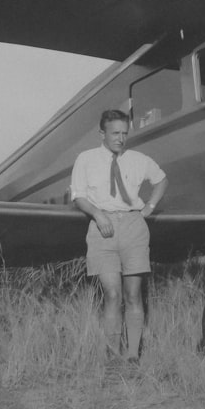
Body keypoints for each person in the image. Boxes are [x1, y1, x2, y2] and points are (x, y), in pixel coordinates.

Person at [71, 109, 169, 362]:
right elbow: (79, 196)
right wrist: (97, 214)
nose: (120, 139)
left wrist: (148, 208)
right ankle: (112, 355)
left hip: (133, 228)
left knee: (133, 294)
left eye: (125, 133)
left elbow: (161, 180)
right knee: (112, 294)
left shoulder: (138, 159)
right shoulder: (86, 158)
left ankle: (133, 354)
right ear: (102, 133)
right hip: (102, 229)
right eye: (115, 133)